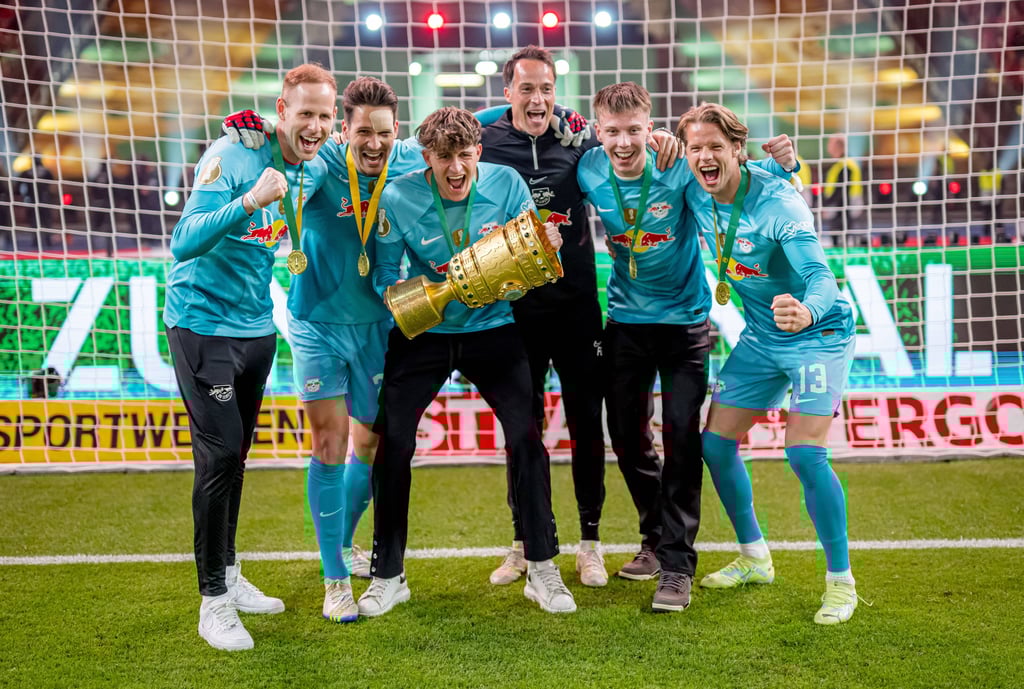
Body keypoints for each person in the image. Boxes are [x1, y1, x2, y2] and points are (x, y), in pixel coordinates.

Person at [578, 82, 798, 612]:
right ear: (598, 131)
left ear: (650, 127)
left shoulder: (678, 166)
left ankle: (677, 567)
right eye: (613, 132)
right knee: (626, 438)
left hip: (685, 326)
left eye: (635, 130)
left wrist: (786, 169)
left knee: (681, 438)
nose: (624, 143)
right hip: (625, 323)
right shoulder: (587, 169)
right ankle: (655, 538)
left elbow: (735, 182)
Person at [360, 106, 576, 617]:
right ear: (426, 157)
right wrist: (419, 296)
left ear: (478, 151)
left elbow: (534, 265)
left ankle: (542, 567)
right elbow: (384, 276)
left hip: (493, 329)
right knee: (393, 442)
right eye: (443, 158)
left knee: (526, 438)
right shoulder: (398, 196)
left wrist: (539, 251)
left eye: (463, 155)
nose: (455, 169)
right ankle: (388, 574)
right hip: (427, 333)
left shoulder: (507, 184)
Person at [479, 45, 681, 589]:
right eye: (526, 89)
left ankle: (590, 543)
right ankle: (523, 543)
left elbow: (626, 138)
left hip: (576, 311)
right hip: (515, 311)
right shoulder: (486, 141)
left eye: (546, 89)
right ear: (507, 92)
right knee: (521, 431)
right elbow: (441, 138)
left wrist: (661, 138)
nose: (538, 99)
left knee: (588, 427)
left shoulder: (582, 141)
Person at [163, 63, 336, 651]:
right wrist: (249, 200)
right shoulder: (233, 153)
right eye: (304, 113)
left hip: (257, 328)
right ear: (281, 111)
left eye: (323, 116)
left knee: (235, 456)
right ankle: (213, 602)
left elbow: (386, 145)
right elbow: (183, 241)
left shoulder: (317, 162)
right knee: (217, 457)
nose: (314, 126)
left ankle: (230, 575)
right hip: (201, 325)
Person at [678, 102, 861, 624]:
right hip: (760, 337)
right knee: (715, 444)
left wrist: (807, 310)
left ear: (738, 149)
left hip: (817, 333)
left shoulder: (781, 204)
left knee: (805, 454)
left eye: (716, 147)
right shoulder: (693, 185)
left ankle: (841, 582)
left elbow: (822, 278)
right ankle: (755, 557)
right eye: (695, 148)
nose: (705, 157)